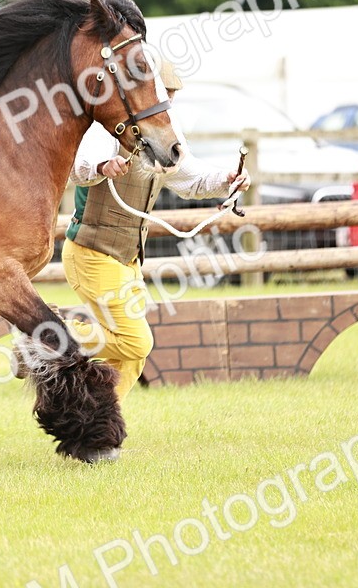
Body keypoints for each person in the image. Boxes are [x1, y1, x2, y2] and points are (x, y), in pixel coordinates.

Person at [60, 59, 250, 399]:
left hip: (127, 261)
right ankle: (48, 338)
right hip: (92, 252)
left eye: (172, 96)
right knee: (136, 340)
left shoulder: (160, 135)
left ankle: (95, 420)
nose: (168, 106)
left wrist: (228, 180)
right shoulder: (105, 128)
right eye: (164, 95)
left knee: (132, 356)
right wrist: (103, 165)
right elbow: (75, 169)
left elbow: (188, 177)